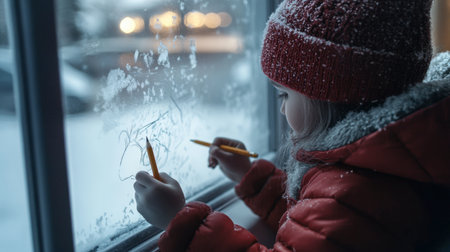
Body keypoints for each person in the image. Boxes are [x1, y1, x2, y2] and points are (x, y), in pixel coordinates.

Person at [133, 0, 450, 251]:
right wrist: (250, 176)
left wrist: (178, 222)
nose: (280, 108)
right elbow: (314, 228)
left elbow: (326, 219)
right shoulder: (373, 168)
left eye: (284, 94)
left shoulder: (355, 193)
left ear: (331, 95)